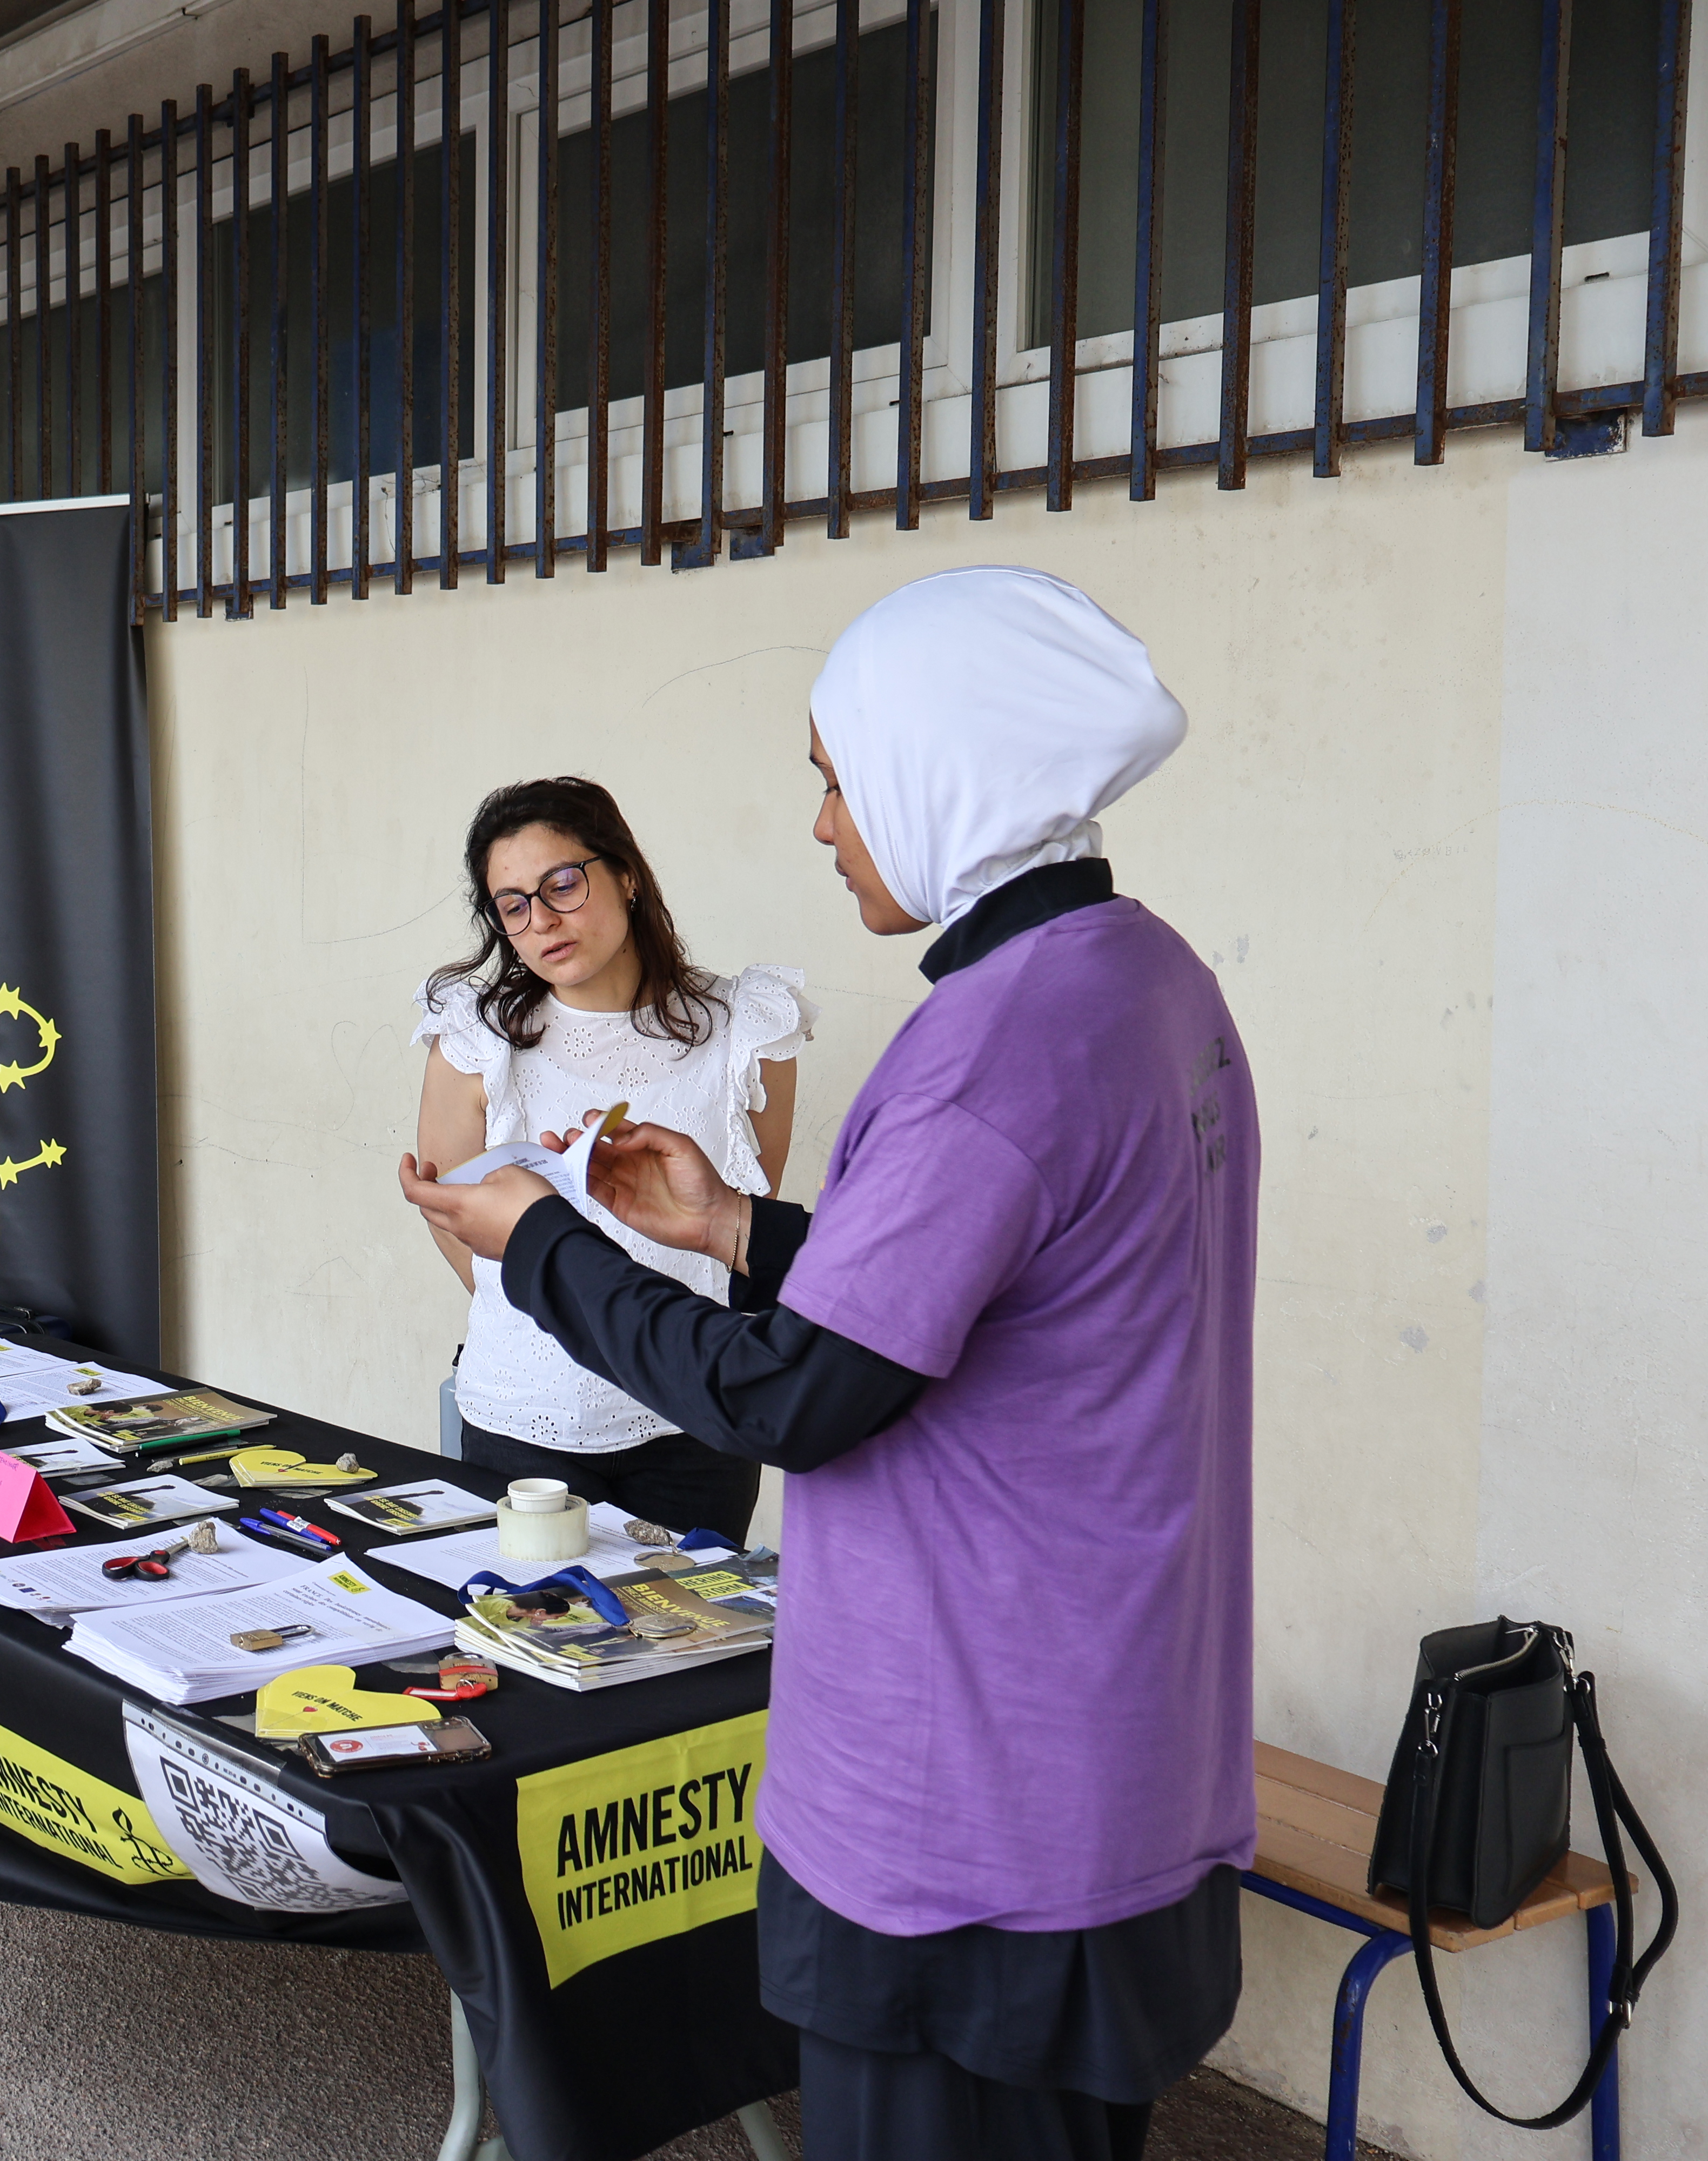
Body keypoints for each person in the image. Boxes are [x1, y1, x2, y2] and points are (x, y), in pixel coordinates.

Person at [401, 567, 1255, 2161]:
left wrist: (542, 1242)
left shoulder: (992, 1046)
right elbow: (998, 1291)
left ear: (948, 769)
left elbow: (791, 1395)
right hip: (1110, 1745)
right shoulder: (1146, 982)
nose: (821, 823)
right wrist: (736, 1223)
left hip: (975, 1798)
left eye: (835, 778)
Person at [412, 777, 809, 1543]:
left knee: (694, 1645)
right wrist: (543, 1312)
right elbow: (459, 1223)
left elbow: (740, 1232)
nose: (543, 920)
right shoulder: (476, 1042)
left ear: (626, 874)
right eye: (514, 904)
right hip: (526, 1414)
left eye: (562, 883)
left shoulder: (746, 1031)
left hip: (700, 1417)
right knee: (532, 1646)